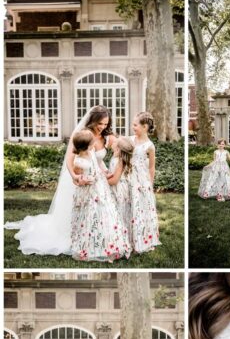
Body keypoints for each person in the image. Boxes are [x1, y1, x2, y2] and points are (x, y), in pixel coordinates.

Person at [5, 106, 115, 257]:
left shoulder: (105, 137)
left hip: (96, 180)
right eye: (100, 123)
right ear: (92, 121)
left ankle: (94, 234)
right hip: (78, 178)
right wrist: (75, 177)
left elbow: (99, 160)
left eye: (105, 124)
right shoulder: (82, 135)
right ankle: (73, 236)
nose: (102, 127)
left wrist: (106, 171)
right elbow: (70, 159)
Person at [69, 130, 130, 262]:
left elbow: (97, 166)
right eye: (92, 142)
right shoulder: (78, 162)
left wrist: (104, 173)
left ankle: (109, 244)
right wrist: (83, 180)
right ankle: (90, 246)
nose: (94, 143)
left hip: (100, 188)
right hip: (88, 191)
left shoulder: (91, 153)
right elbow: (79, 178)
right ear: (87, 146)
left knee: (106, 213)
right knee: (90, 216)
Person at [129, 112, 160, 253]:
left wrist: (150, 184)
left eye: (135, 125)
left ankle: (142, 239)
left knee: (141, 207)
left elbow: (151, 167)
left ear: (145, 127)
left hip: (141, 179)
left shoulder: (149, 146)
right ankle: (129, 237)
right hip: (128, 176)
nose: (133, 127)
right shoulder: (130, 140)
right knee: (128, 204)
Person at [107, 136, 135, 241]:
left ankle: (120, 239)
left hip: (118, 190)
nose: (113, 143)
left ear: (118, 148)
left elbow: (114, 180)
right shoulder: (116, 158)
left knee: (119, 212)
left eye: (115, 142)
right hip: (117, 188)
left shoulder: (119, 161)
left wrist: (101, 181)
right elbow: (112, 175)